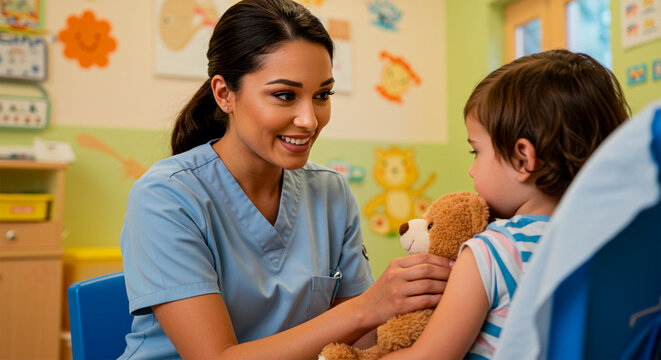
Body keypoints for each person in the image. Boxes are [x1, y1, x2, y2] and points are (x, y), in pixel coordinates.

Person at [119, 0, 451, 358]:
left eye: (322, 95)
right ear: (224, 94)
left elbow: (361, 341)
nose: (309, 119)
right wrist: (368, 307)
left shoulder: (330, 192)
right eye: (284, 95)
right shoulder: (167, 197)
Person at [381, 49, 630, 360]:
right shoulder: (616, 243)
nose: (472, 169)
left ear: (523, 158)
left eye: (476, 152)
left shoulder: (493, 251)